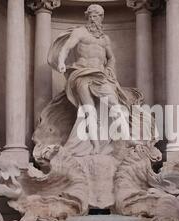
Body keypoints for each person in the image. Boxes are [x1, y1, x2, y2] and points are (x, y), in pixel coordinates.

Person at [47, 4, 146, 155]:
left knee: (115, 104)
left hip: (100, 76)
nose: (94, 19)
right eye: (91, 16)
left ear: (102, 18)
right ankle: (96, 147)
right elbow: (66, 48)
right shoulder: (80, 32)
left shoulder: (105, 39)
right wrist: (61, 62)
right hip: (81, 74)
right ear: (87, 17)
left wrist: (110, 70)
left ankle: (128, 138)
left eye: (97, 16)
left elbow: (111, 58)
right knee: (90, 111)